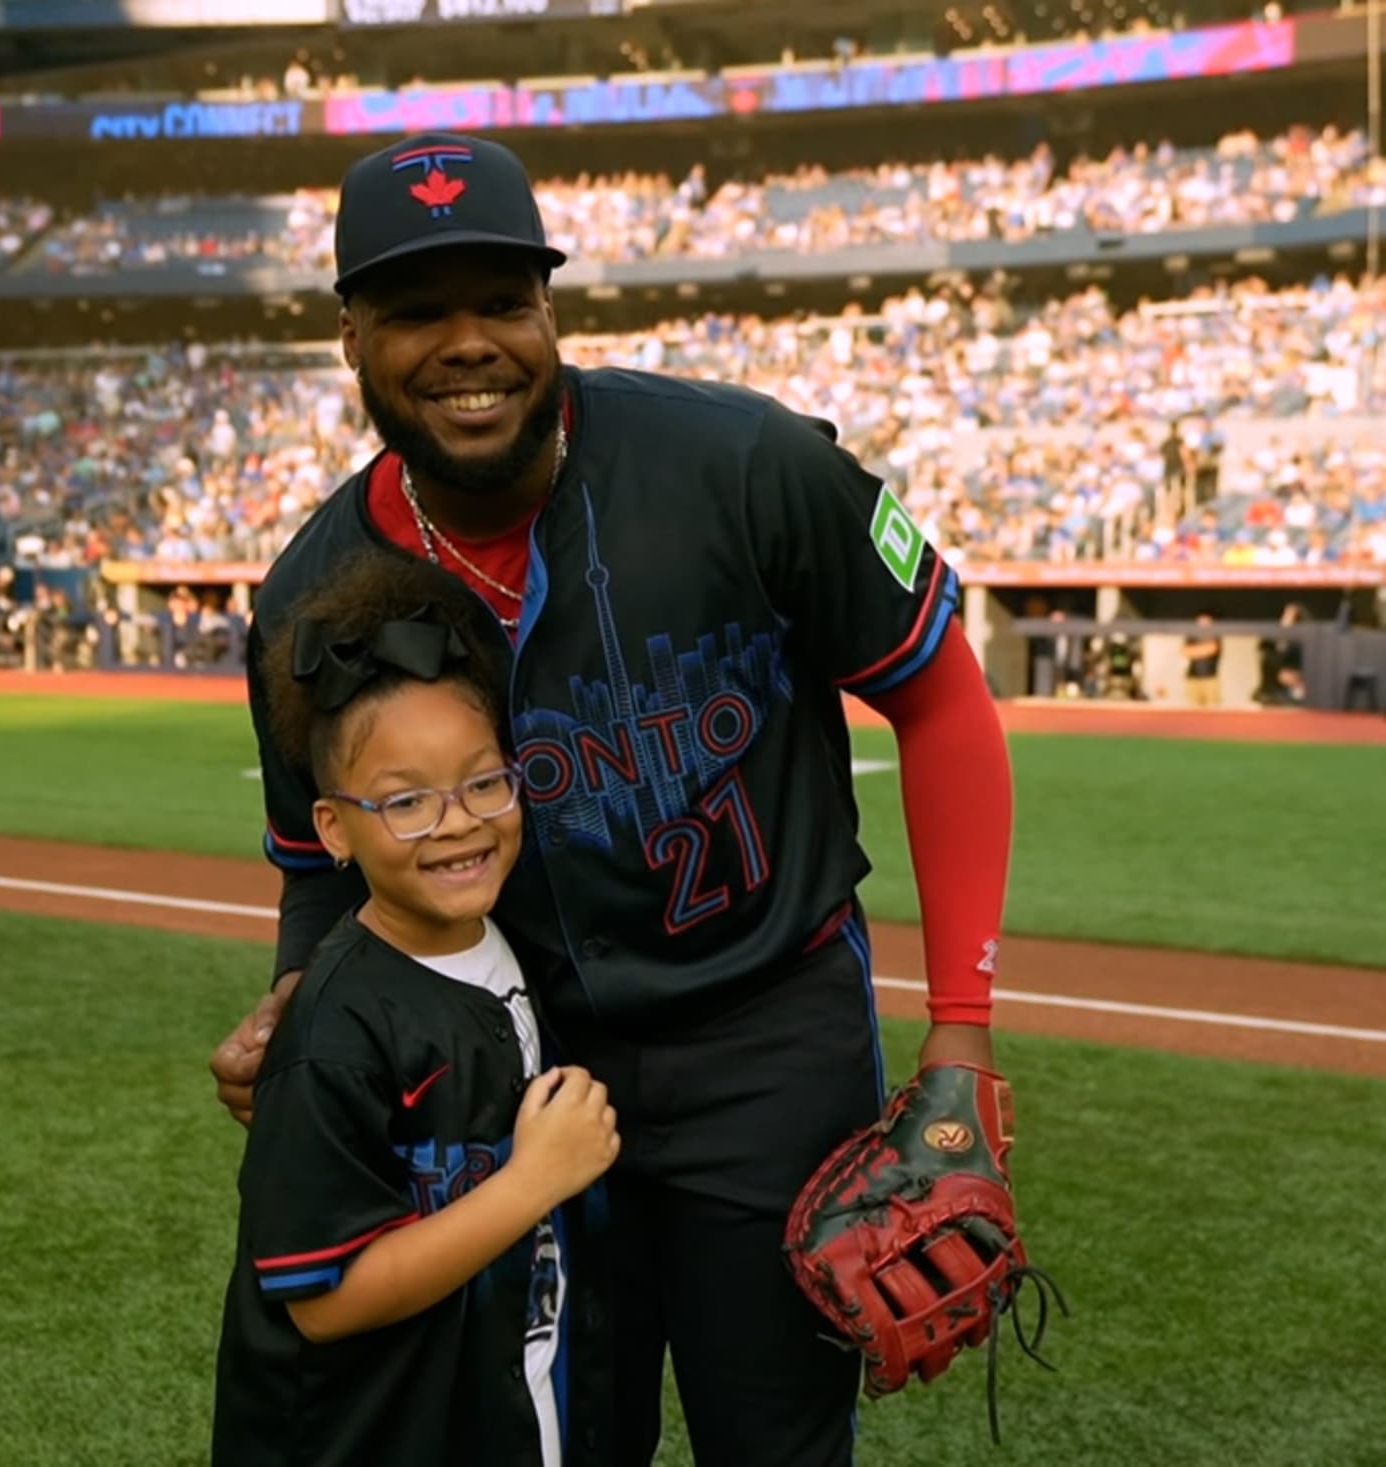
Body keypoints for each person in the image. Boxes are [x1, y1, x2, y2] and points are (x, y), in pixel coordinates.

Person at [208, 131, 1015, 1467]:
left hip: (768, 1036)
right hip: (514, 1064)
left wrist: (963, 1031)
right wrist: (301, 1009)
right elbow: (317, 860)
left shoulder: (742, 462)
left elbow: (941, 697)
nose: (469, 343)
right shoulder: (310, 597)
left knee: (777, 1446)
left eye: (503, 300)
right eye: (415, 312)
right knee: (547, 1441)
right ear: (349, 335)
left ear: (550, 308)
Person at [211, 550, 618, 1467]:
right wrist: (531, 1182)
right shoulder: (337, 1028)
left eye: (484, 781)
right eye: (405, 801)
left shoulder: (505, 942)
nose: (458, 820)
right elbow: (324, 1299)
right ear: (332, 827)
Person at [1182, 612, 1223, 706]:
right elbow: (1185, 651)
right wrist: (1202, 650)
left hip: (1210, 679)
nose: (1203, 625)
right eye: (1200, 622)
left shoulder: (1216, 636)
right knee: (1192, 709)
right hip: (1192, 678)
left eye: (1206, 622)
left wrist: (1195, 651)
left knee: (1212, 709)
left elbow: (1212, 649)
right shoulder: (1191, 637)